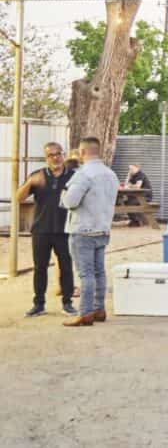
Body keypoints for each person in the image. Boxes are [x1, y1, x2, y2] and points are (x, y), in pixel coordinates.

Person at [60, 137, 119, 327]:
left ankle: (85, 312)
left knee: (86, 274)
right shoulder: (111, 174)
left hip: (82, 229)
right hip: (103, 229)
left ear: (82, 152)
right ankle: (98, 308)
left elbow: (71, 202)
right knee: (99, 271)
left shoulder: (83, 174)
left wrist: (63, 194)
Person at [17, 142, 77, 317]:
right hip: (41, 229)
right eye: (51, 155)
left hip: (65, 229)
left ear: (63, 155)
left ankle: (67, 303)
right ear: (46, 158)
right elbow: (18, 197)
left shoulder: (73, 176)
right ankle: (39, 304)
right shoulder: (37, 176)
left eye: (59, 153)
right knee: (40, 267)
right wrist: (29, 183)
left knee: (66, 266)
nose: (56, 157)